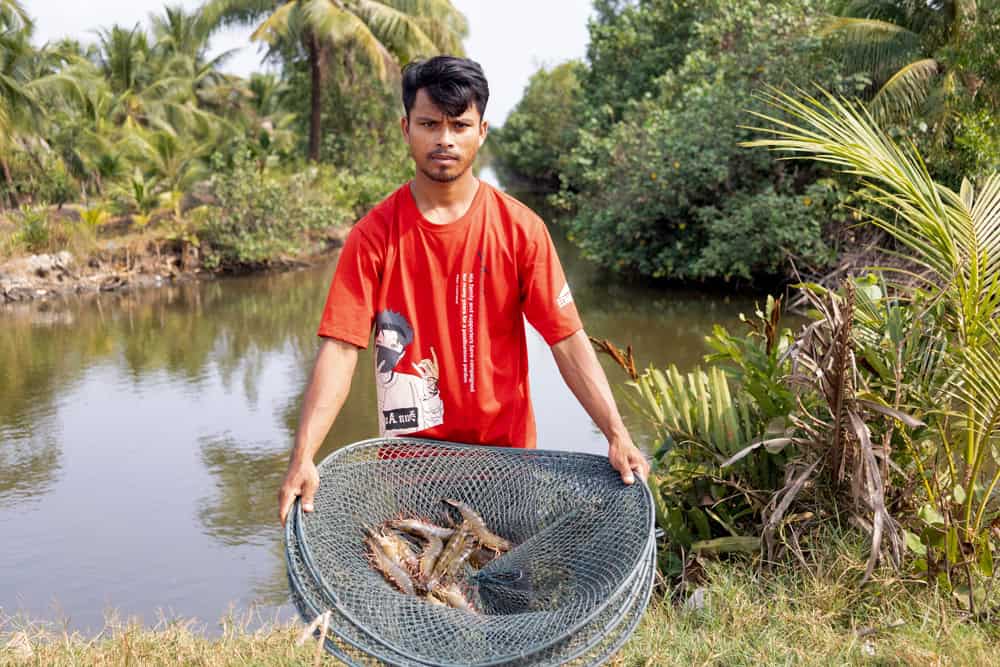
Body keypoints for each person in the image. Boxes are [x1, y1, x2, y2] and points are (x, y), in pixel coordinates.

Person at [278, 56, 649, 525]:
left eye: (459, 124)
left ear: (483, 131)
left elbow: (566, 339)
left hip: (506, 464)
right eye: (429, 124)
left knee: (509, 590)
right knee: (418, 591)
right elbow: (340, 348)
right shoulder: (373, 236)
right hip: (410, 471)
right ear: (405, 128)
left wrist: (616, 433)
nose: (445, 139)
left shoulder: (520, 229)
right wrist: (304, 453)